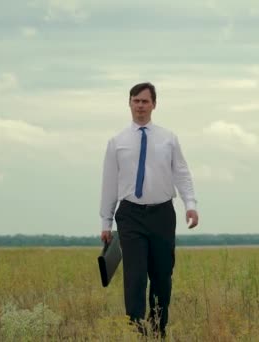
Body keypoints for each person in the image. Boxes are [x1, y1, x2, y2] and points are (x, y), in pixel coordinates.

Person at [99, 82, 199, 338]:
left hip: (162, 213)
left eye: (145, 101)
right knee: (135, 275)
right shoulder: (117, 142)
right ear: (129, 104)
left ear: (154, 104)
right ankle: (136, 328)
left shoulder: (168, 139)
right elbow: (109, 183)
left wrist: (190, 205)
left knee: (162, 274)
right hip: (130, 214)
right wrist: (106, 222)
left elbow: (182, 173)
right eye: (135, 101)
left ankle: (158, 329)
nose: (140, 106)